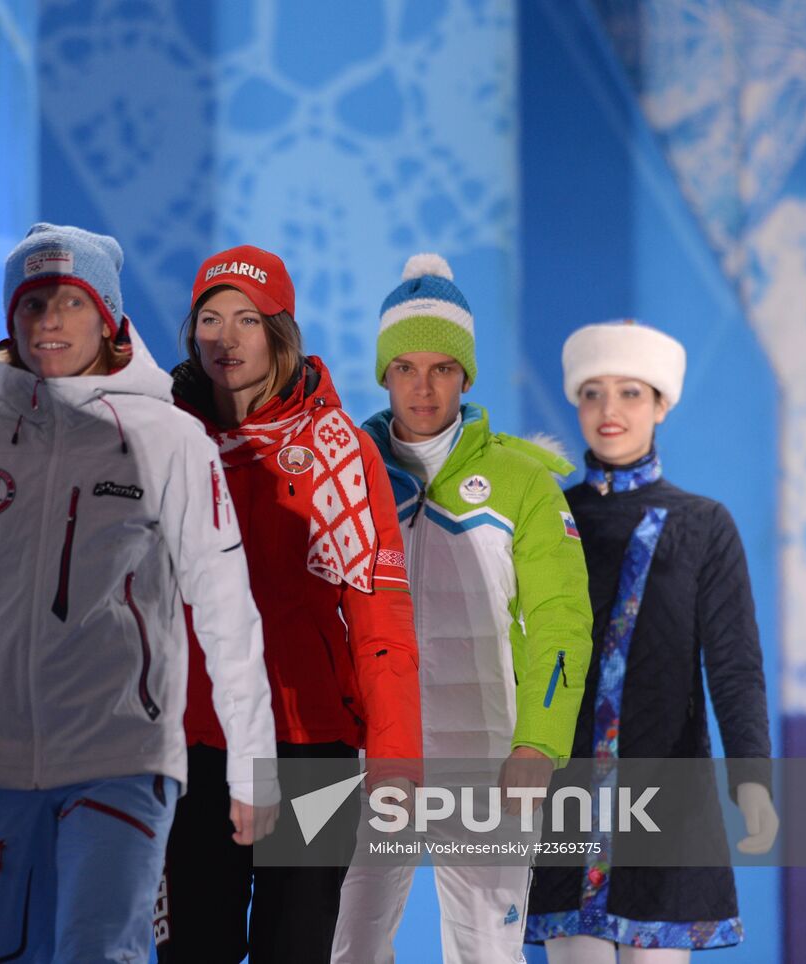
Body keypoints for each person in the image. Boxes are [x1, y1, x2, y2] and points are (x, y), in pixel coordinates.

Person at [0, 224, 278, 963]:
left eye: (72, 301)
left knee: (99, 951)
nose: (50, 321)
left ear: (108, 317)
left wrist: (253, 767)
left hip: (120, 754)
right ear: (10, 318)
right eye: (33, 303)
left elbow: (226, 606)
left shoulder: (169, 437)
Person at [156, 244, 423, 963]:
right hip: (194, 744)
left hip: (312, 748)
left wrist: (396, 759)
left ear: (281, 333)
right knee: (193, 951)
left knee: (297, 951)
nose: (227, 337)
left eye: (248, 319)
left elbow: (380, 617)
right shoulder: (160, 441)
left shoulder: (342, 451)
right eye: (211, 319)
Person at [331, 254, 594, 963]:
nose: (423, 387)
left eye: (442, 368)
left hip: (487, 754)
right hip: (370, 752)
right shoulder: (345, 471)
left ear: (467, 376)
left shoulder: (523, 481)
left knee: (487, 952)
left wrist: (539, 742)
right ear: (383, 373)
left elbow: (562, 622)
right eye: (405, 367)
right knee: (347, 946)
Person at [524, 320, 779, 962]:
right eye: (593, 393)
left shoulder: (704, 525)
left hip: (668, 791)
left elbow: (735, 664)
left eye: (630, 392)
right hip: (566, 790)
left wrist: (751, 780)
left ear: (662, 404)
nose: (609, 410)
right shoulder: (548, 516)